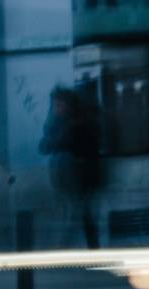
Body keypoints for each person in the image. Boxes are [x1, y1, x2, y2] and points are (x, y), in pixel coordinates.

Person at [39, 86, 104, 248]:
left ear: (68, 105)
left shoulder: (78, 123)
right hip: (70, 178)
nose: (55, 109)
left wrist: (54, 137)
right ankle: (88, 247)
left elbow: (55, 144)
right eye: (54, 105)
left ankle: (71, 247)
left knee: (79, 212)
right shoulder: (59, 122)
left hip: (82, 176)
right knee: (80, 213)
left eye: (58, 105)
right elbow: (44, 147)